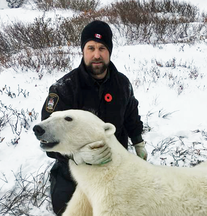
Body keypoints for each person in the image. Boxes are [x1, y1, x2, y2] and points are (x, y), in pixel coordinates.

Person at [41, 20, 147, 216]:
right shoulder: (64, 89)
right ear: (83, 50)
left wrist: (138, 142)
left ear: (110, 51)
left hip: (116, 168)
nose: (96, 55)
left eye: (102, 48)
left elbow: (131, 115)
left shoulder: (122, 84)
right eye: (91, 48)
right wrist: (76, 156)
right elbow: (47, 138)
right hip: (73, 173)